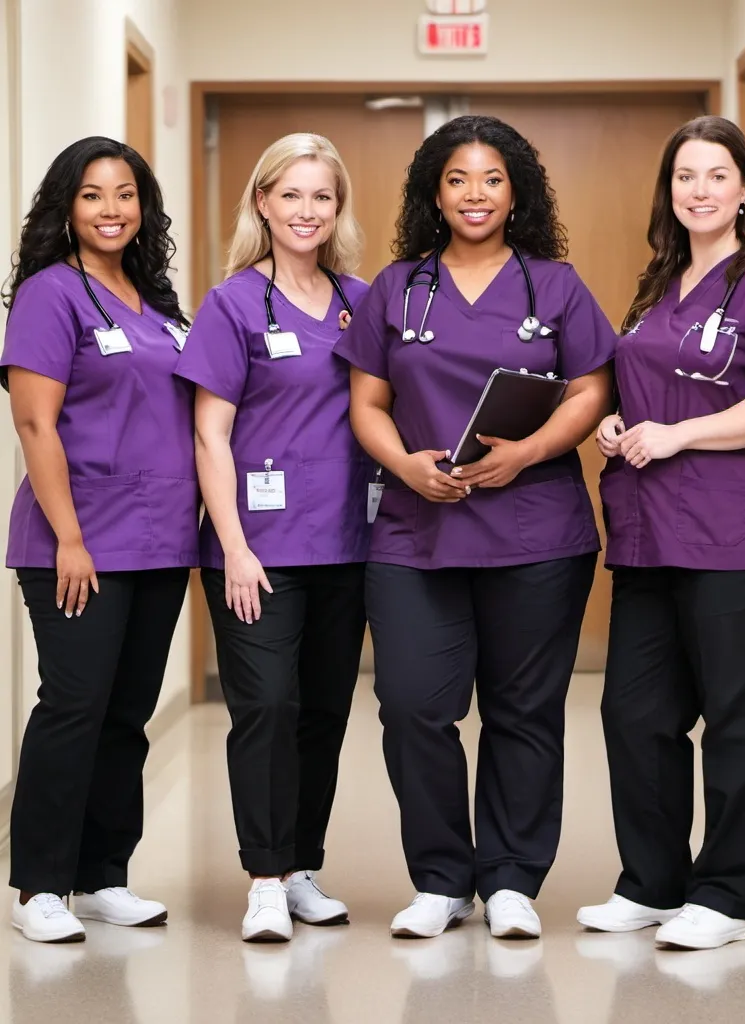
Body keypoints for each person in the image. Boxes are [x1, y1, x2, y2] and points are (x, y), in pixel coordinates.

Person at [336, 114, 616, 940]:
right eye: (457, 178)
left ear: (517, 190)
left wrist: (525, 452)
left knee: (524, 708)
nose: (475, 194)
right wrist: (407, 466)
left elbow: (593, 388)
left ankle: (509, 880)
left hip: (535, 527)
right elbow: (367, 402)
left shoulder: (554, 284)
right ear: (433, 191)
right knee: (411, 703)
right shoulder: (399, 287)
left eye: (492, 178)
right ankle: (440, 876)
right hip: (415, 533)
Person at [575, 116, 745, 951]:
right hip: (651, 533)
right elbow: (645, 383)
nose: (700, 190)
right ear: (670, 191)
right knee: (636, 713)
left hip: (740, 534)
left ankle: (725, 896)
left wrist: (679, 435)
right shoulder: (659, 283)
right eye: (686, 176)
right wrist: (618, 422)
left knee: (739, 719)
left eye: (717, 175)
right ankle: (652, 884)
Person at [173, 133, 370, 943]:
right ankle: (262, 878)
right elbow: (208, 436)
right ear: (262, 202)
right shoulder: (231, 304)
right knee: (266, 707)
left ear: (337, 208)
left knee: (323, 710)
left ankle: (300, 870)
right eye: (290, 195)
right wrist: (237, 548)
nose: (306, 211)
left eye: (321, 196)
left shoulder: (361, 300)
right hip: (257, 550)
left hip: (348, 544)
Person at [0, 137, 197, 943]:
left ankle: (103, 874)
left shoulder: (155, 299)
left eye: (125, 194)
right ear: (65, 208)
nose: (111, 209)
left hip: (159, 540)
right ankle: (39, 886)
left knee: (126, 714)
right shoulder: (52, 294)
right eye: (92, 195)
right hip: (78, 543)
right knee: (75, 705)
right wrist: (69, 539)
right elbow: (34, 421)